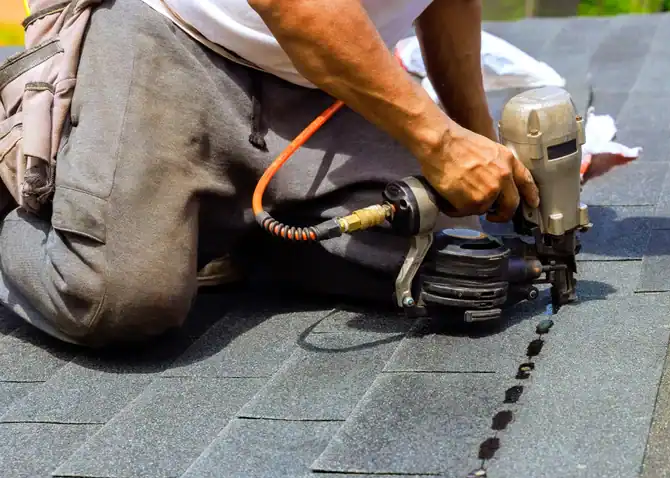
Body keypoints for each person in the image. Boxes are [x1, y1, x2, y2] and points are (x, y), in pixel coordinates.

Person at [0, 0, 540, 347]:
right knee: (111, 301)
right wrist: (438, 141)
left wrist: (478, 142)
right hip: (172, 38)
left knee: (449, 264)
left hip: (329, 73)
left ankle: (227, 228)